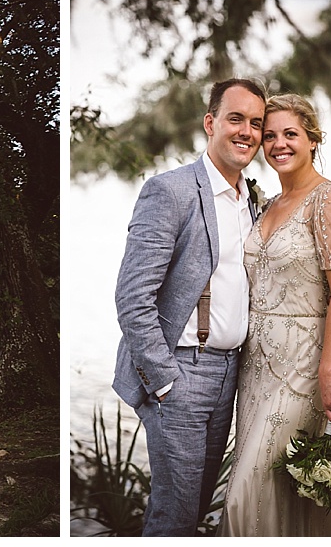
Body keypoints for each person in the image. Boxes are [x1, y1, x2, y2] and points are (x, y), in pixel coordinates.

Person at [113, 78, 264, 536]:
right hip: (180, 372)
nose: (247, 132)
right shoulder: (171, 191)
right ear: (210, 122)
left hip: (230, 375)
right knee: (174, 518)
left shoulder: (251, 201)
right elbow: (132, 297)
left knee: (196, 510)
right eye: (236, 118)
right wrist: (164, 382)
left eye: (256, 123)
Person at [218, 94, 331, 536]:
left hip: (302, 367)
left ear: (313, 140)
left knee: (249, 489)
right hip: (255, 367)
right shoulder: (266, 205)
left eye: (291, 134)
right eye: (270, 135)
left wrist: (328, 370)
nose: (278, 144)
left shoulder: (329, 199)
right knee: (270, 487)